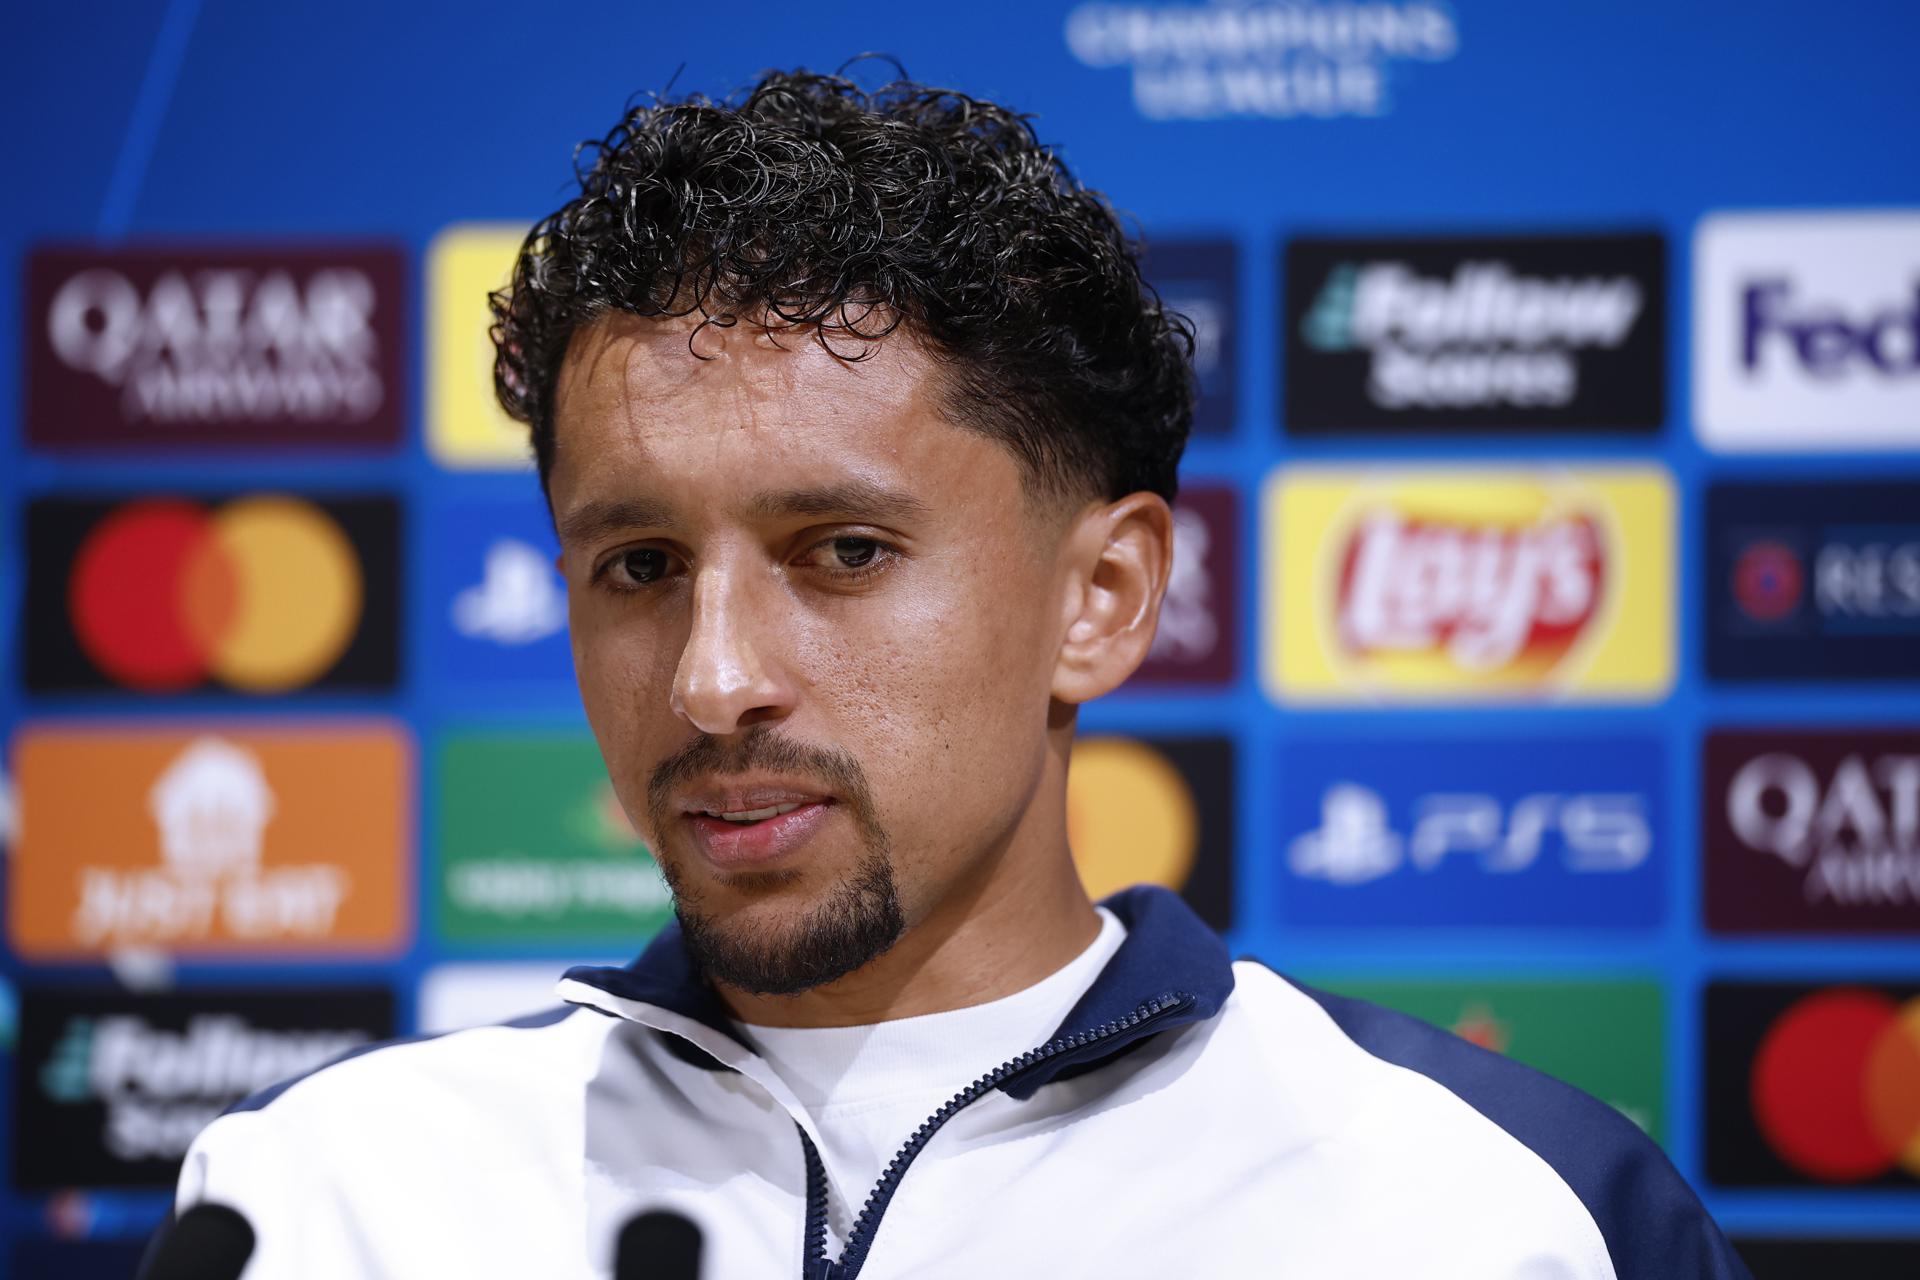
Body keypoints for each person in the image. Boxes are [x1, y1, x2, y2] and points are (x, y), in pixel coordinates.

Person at [171, 68, 1751, 1278]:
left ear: (1105, 597)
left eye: (843, 552)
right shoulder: (325, 1204)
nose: (714, 683)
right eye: (638, 568)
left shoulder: (1498, 1213)